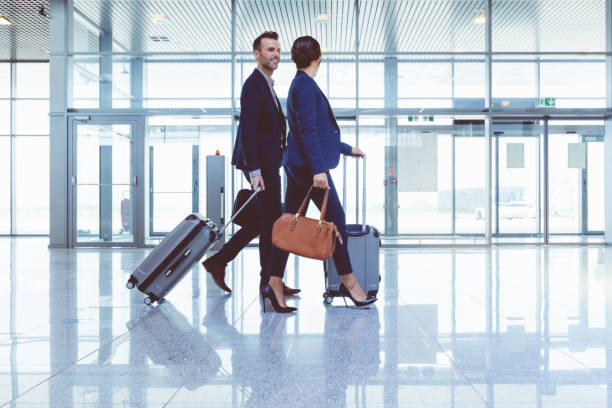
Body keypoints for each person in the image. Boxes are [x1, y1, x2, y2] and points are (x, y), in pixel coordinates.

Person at [262, 36, 377, 311]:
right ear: (318, 58)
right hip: (307, 168)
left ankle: (273, 282)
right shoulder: (304, 86)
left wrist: (348, 149)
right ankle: (349, 283)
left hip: (299, 164)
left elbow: (316, 133)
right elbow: (308, 131)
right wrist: (319, 170)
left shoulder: (301, 85)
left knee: (288, 223)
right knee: (336, 221)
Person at [202, 31, 300, 298]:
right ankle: (268, 281)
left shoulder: (266, 84)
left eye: (278, 50)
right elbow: (247, 129)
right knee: (273, 222)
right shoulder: (254, 84)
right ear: (257, 54)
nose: (276, 54)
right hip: (262, 166)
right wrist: (255, 170)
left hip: (268, 163)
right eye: (270, 50)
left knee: (265, 221)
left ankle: (232, 266)